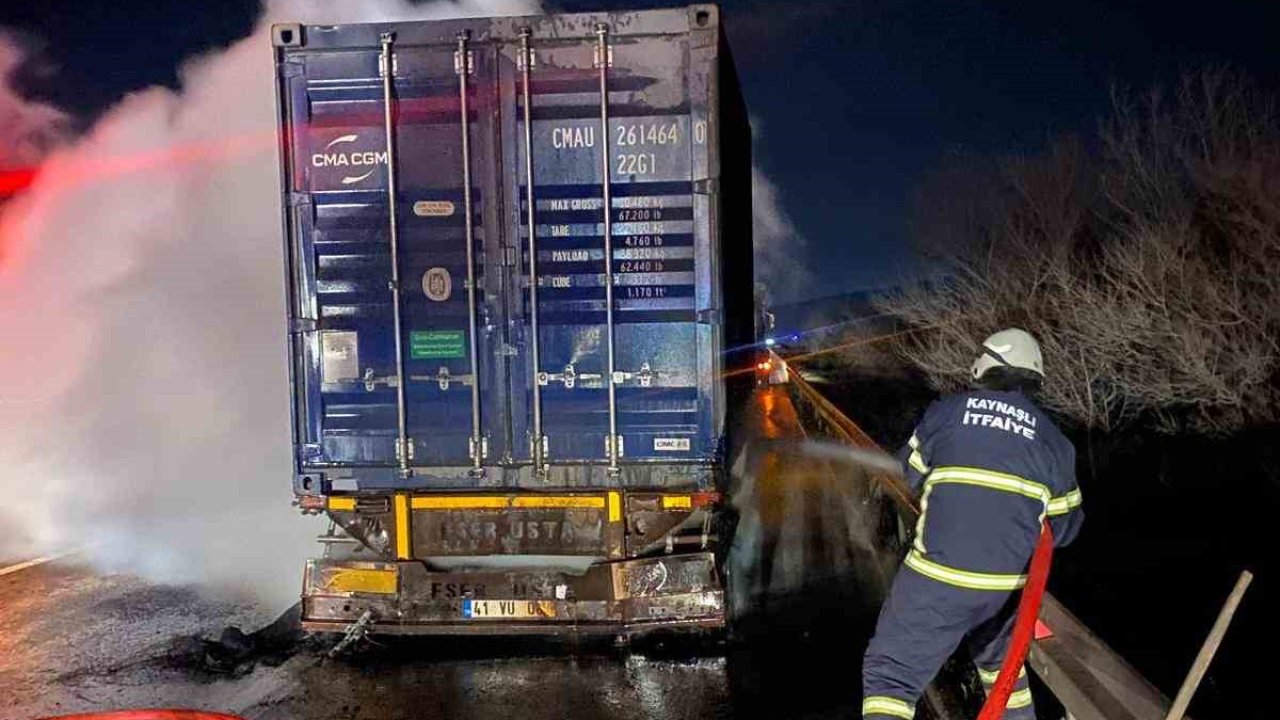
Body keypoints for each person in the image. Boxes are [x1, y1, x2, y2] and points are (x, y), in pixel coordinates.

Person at [861, 328, 1084, 720]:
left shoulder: (946, 413)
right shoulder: (1054, 441)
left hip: (938, 581)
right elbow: (1065, 529)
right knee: (1004, 679)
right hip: (1004, 590)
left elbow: (906, 475)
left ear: (984, 365)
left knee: (891, 676)